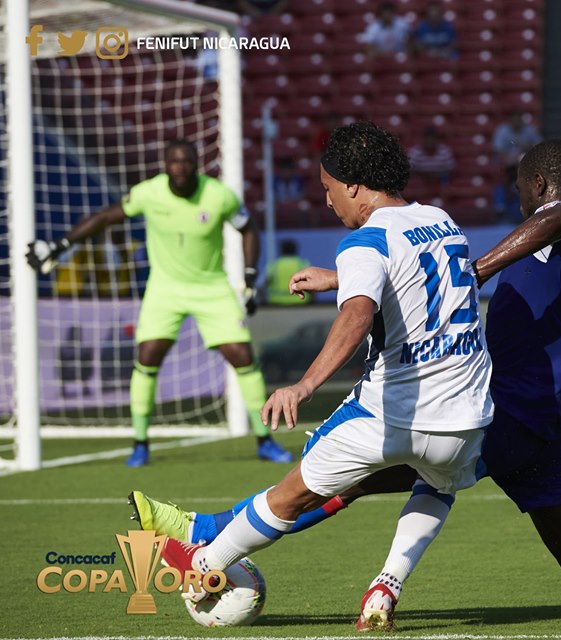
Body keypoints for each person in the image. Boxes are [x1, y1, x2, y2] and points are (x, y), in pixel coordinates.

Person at [132, 141, 561, 627]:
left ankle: (211, 539)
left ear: (540, 186)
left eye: (521, 185)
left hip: (496, 412)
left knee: (352, 474)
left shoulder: (559, 221)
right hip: (546, 425)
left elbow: (555, 219)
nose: (518, 195)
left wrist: (474, 271)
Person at [147, 121, 494, 600]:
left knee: (292, 494)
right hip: (465, 420)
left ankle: (204, 560)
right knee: (437, 485)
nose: (329, 202)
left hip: (389, 414)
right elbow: (417, 275)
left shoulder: (364, 241)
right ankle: (387, 586)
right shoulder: (440, 219)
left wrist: (302, 386)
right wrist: (338, 277)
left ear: (352, 185)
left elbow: (357, 314)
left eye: (329, 190)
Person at [26, 139, 293, 467]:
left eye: (185, 161)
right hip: (164, 289)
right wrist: (60, 244)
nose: (179, 168)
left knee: (242, 355)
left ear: (196, 164)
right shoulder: (149, 193)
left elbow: (248, 229)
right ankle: (140, 443)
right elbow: (105, 217)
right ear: (165, 165)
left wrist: (250, 277)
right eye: (173, 162)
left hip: (211, 287)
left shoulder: (218, 195)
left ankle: (265, 440)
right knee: (147, 357)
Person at [265, 239, 311, 305]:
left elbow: (263, 285)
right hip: (300, 301)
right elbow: (312, 285)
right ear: (295, 250)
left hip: (276, 302)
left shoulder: (273, 265)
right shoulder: (302, 264)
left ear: (281, 250)